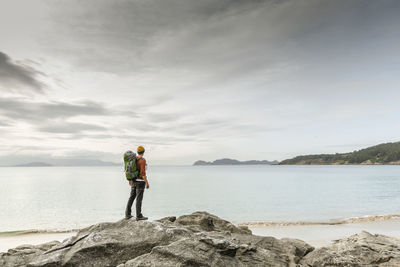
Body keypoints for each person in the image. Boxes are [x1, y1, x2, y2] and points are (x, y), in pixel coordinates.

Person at [125, 145, 149, 221]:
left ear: (138, 152)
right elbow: (142, 173)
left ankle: (127, 214)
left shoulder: (133, 159)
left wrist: (130, 180)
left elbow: (129, 169)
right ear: (143, 152)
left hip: (133, 180)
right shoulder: (142, 160)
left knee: (131, 197)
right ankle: (139, 215)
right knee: (139, 199)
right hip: (140, 182)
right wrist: (147, 182)